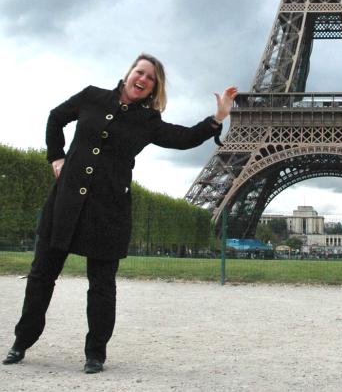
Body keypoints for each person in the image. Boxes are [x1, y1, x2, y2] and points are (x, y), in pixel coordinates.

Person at [2, 54, 237, 375]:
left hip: (107, 211)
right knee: (41, 276)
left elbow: (182, 139)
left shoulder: (147, 121)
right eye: (140, 72)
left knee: (101, 285)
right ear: (129, 73)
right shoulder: (92, 97)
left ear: (155, 88)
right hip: (65, 204)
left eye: (151, 78)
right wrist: (56, 157)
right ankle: (21, 341)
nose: (143, 79)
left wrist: (217, 117)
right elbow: (56, 117)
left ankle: (95, 354)